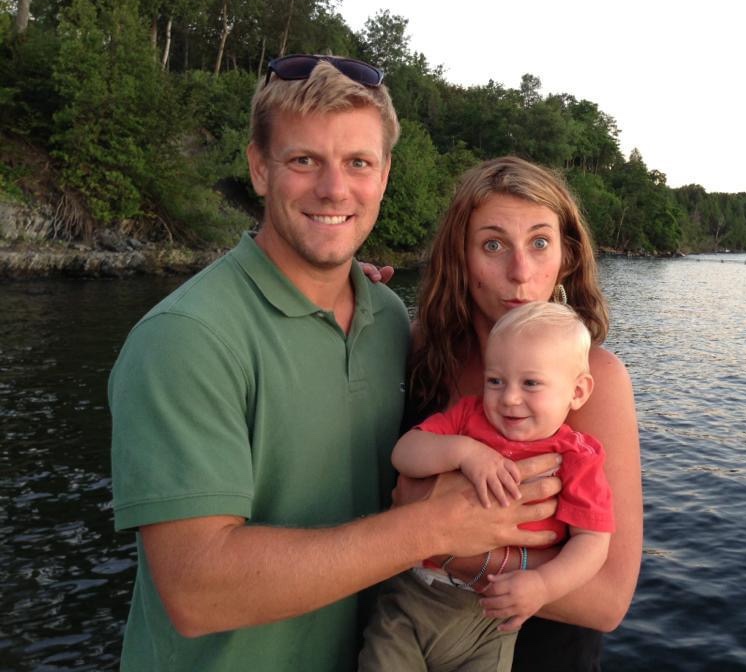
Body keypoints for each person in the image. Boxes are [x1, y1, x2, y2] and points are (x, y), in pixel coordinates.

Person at [108, 56, 563, 672]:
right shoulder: (185, 338)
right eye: (304, 160)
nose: (334, 189)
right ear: (259, 168)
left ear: (384, 175)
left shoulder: (388, 319)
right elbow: (196, 590)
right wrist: (435, 528)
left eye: (358, 163)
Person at [403, 156, 644, 671]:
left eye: (539, 242)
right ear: (460, 257)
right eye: (493, 245)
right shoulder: (421, 351)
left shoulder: (596, 381)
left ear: (566, 256)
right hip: (414, 640)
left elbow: (608, 600)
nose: (520, 271)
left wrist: (425, 534)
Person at [359, 302, 614, 670]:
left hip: (490, 622)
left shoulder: (577, 459)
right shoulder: (467, 417)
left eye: (530, 383)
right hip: (415, 596)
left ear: (577, 391)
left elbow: (592, 542)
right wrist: (464, 452)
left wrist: (544, 586)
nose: (509, 397)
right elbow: (404, 454)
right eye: (495, 381)